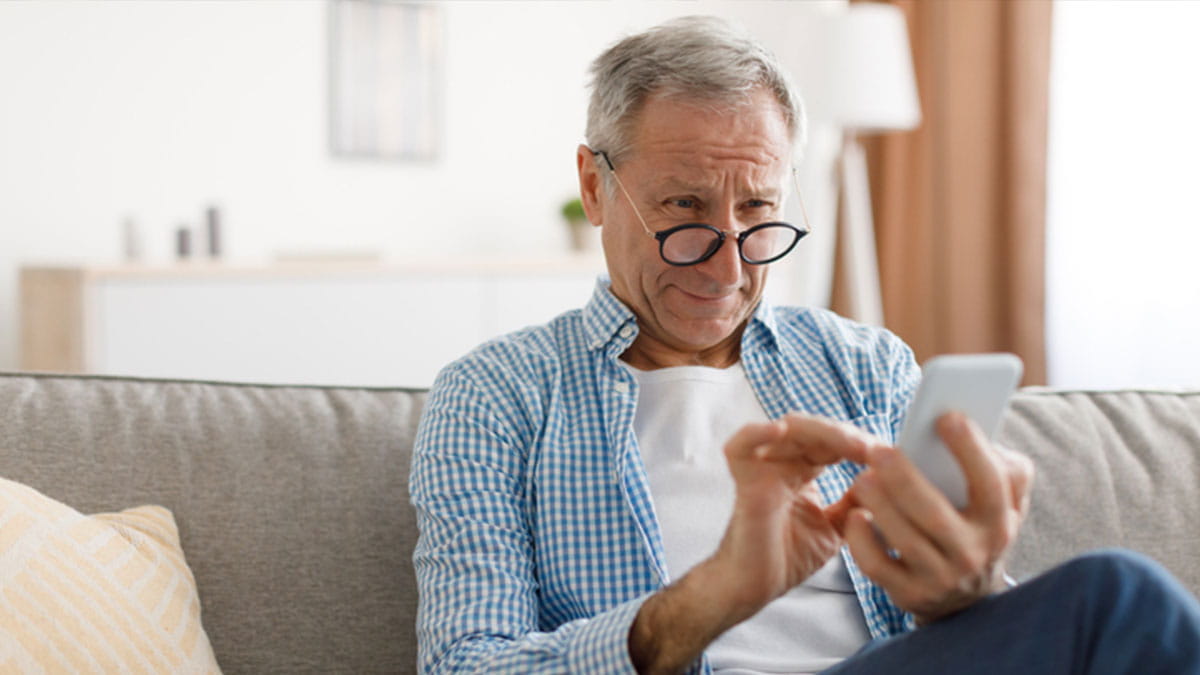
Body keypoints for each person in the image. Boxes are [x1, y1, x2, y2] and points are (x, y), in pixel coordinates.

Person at [410, 16, 1200, 674]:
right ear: (594, 186)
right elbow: (466, 663)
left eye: (757, 209)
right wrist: (713, 594)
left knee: (1119, 607)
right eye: (683, 206)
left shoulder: (865, 364)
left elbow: (978, 633)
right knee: (1118, 592)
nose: (727, 264)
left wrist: (971, 583)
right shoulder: (496, 394)